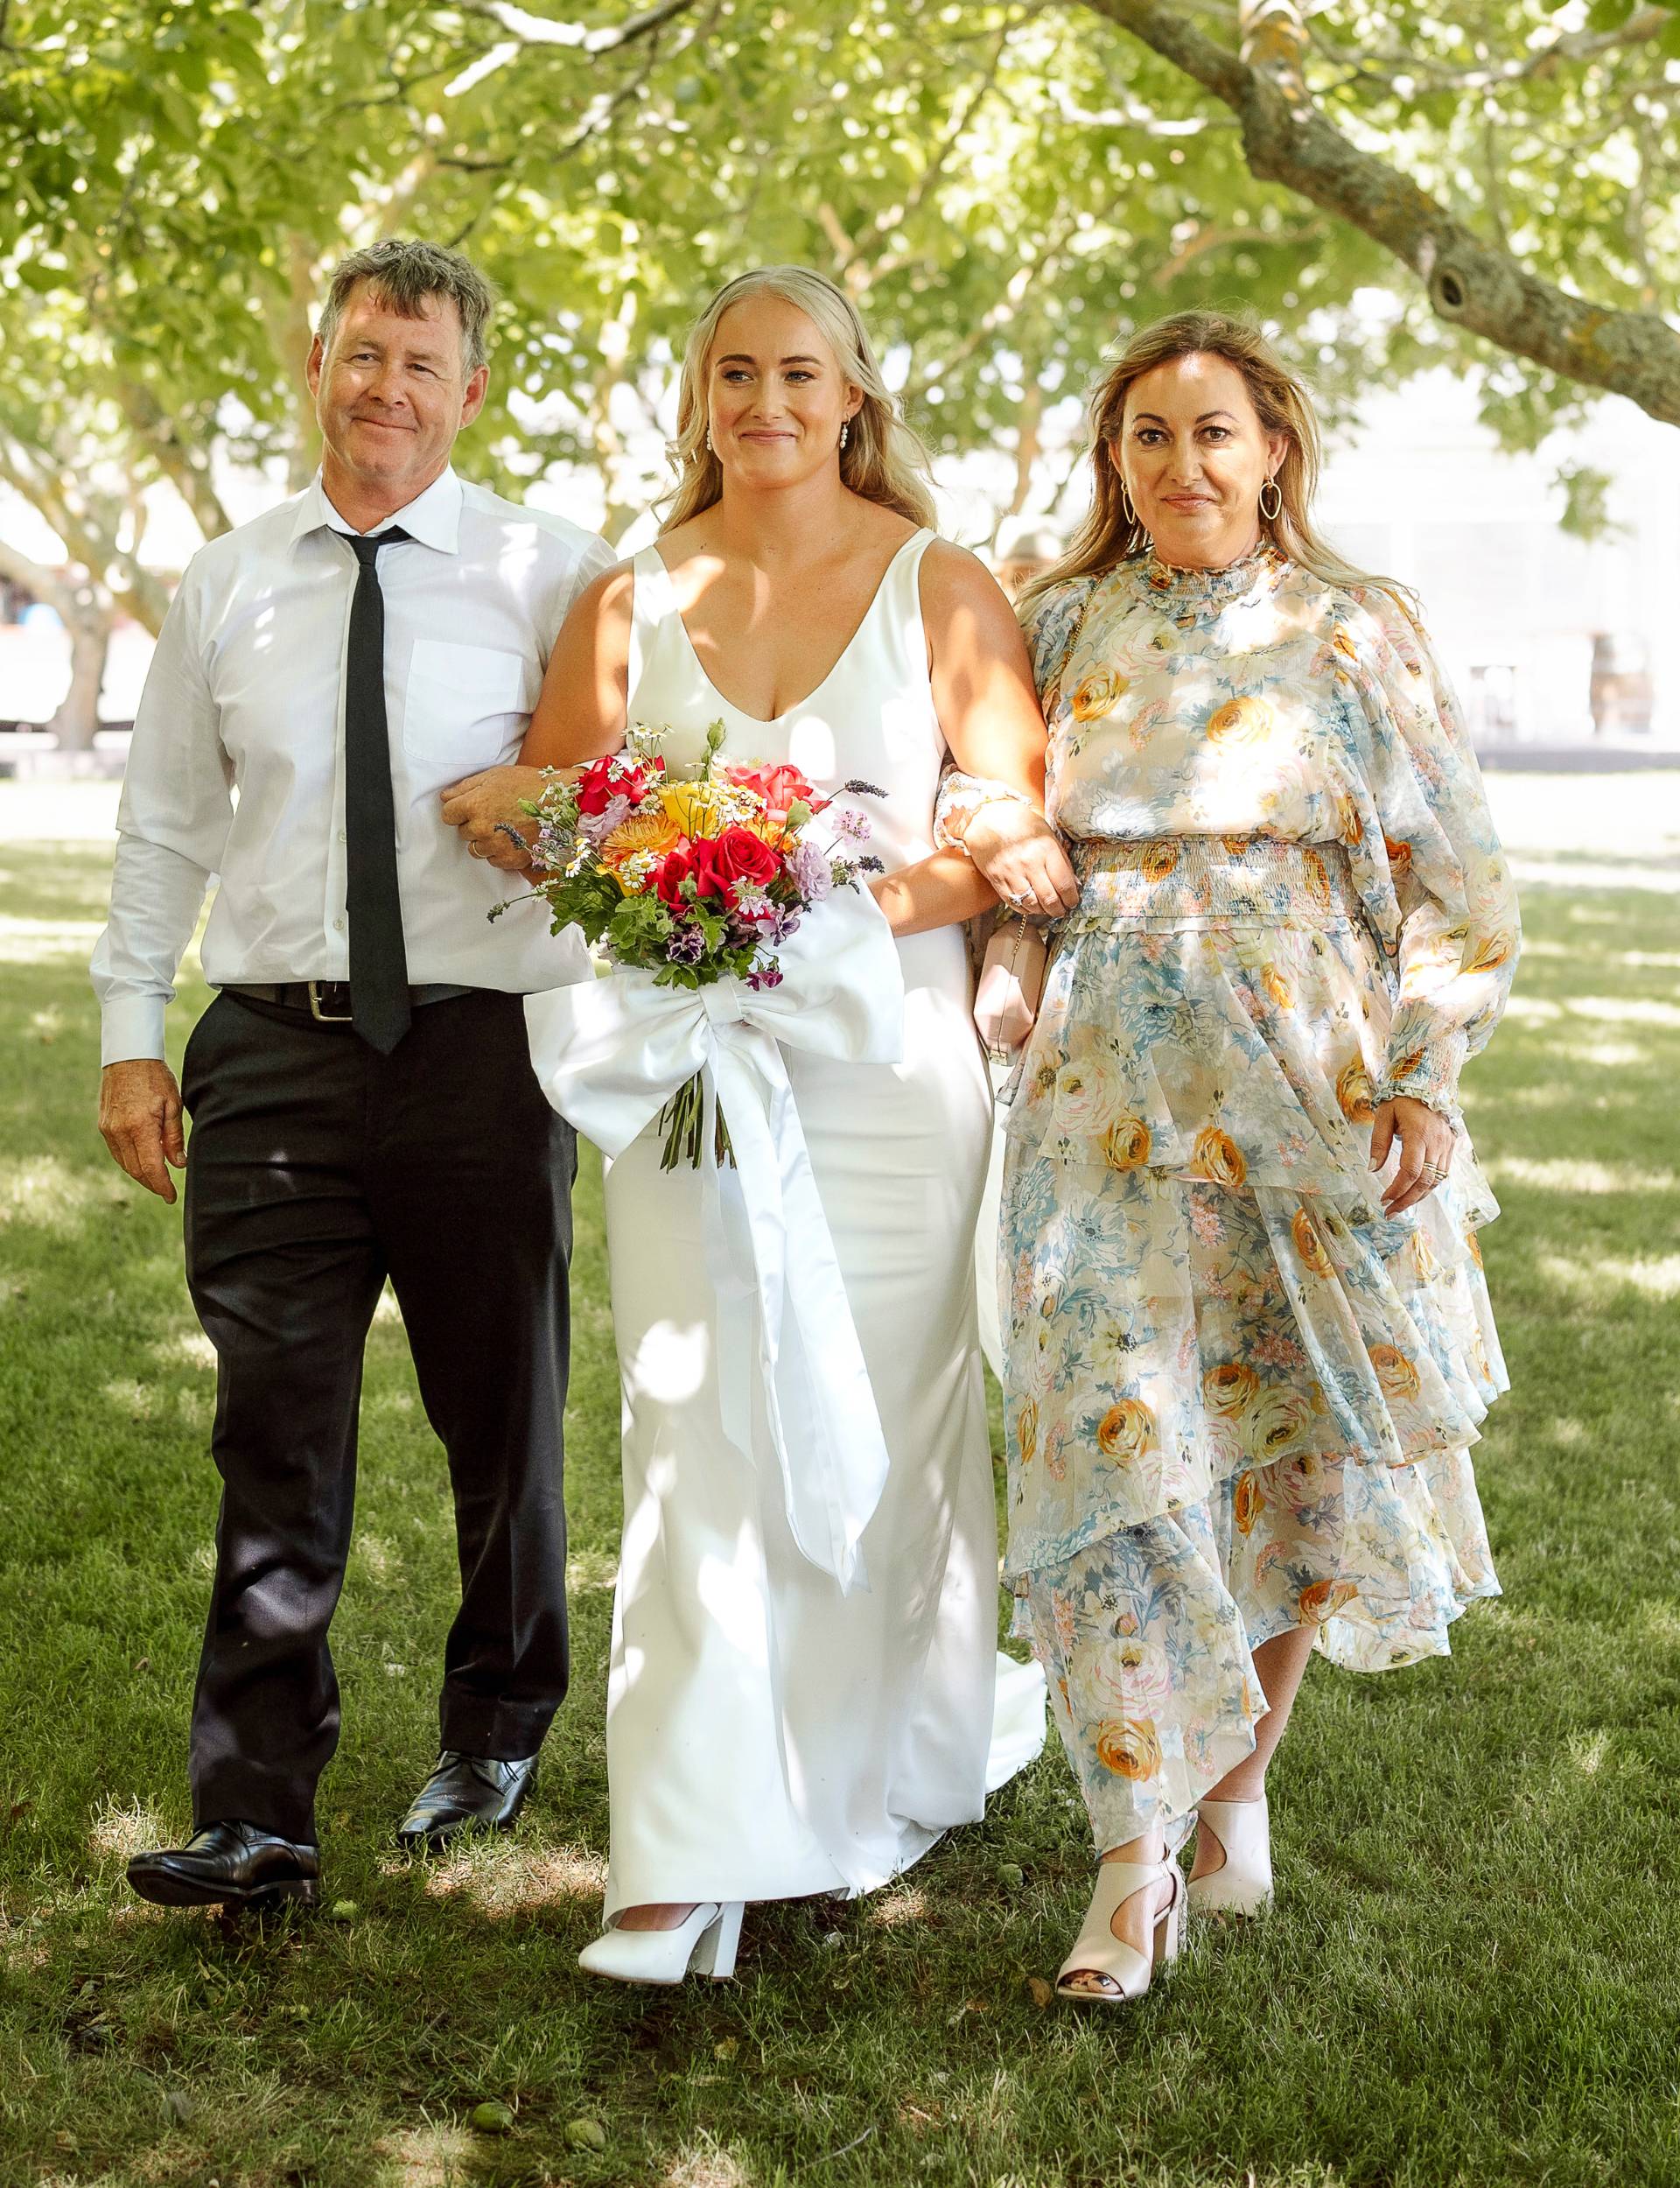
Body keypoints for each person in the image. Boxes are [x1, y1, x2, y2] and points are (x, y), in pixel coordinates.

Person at [445, 265, 1072, 1983]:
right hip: (696, 1081)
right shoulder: (627, 592)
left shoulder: (939, 583)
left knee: (883, 1426)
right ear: (700, 396)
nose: (768, 401)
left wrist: (809, 894)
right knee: (699, 1430)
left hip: (888, 1082)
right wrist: (638, 860)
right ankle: (688, 1851)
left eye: (800, 373)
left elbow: (1015, 828)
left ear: (857, 393)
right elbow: (557, 810)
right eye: (736, 372)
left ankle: (869, 1763)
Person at [940, 311, 1519, 2003]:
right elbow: (979, 811)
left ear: (1276, 447)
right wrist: (1008, 924)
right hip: (1097, 1097)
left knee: (1283, 1446)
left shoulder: (1358, 626)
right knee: (1105, 1440)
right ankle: (1132, 1866)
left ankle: (1236, 1789)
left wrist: (1423, 1075)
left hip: (1308, 1092)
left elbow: (1461, 876)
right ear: (1110, 461)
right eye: (1147, 437)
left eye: (1214, 432)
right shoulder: (1055, 622)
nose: (1181, 465)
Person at [91, 239, 612, 1911]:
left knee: (500, 1413)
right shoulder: (227, 578)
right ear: (318, 363)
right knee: (275, 1430)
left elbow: (624, 796)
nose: (388, 387)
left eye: (423, 363)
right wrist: (127, 1038)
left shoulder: (555, 569)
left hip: (484, 1048)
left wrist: (547, 822)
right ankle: (257, 1808)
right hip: (273, 1057)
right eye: (363, 353)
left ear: (472, 392)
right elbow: (165, 822)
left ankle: (498, 1721)